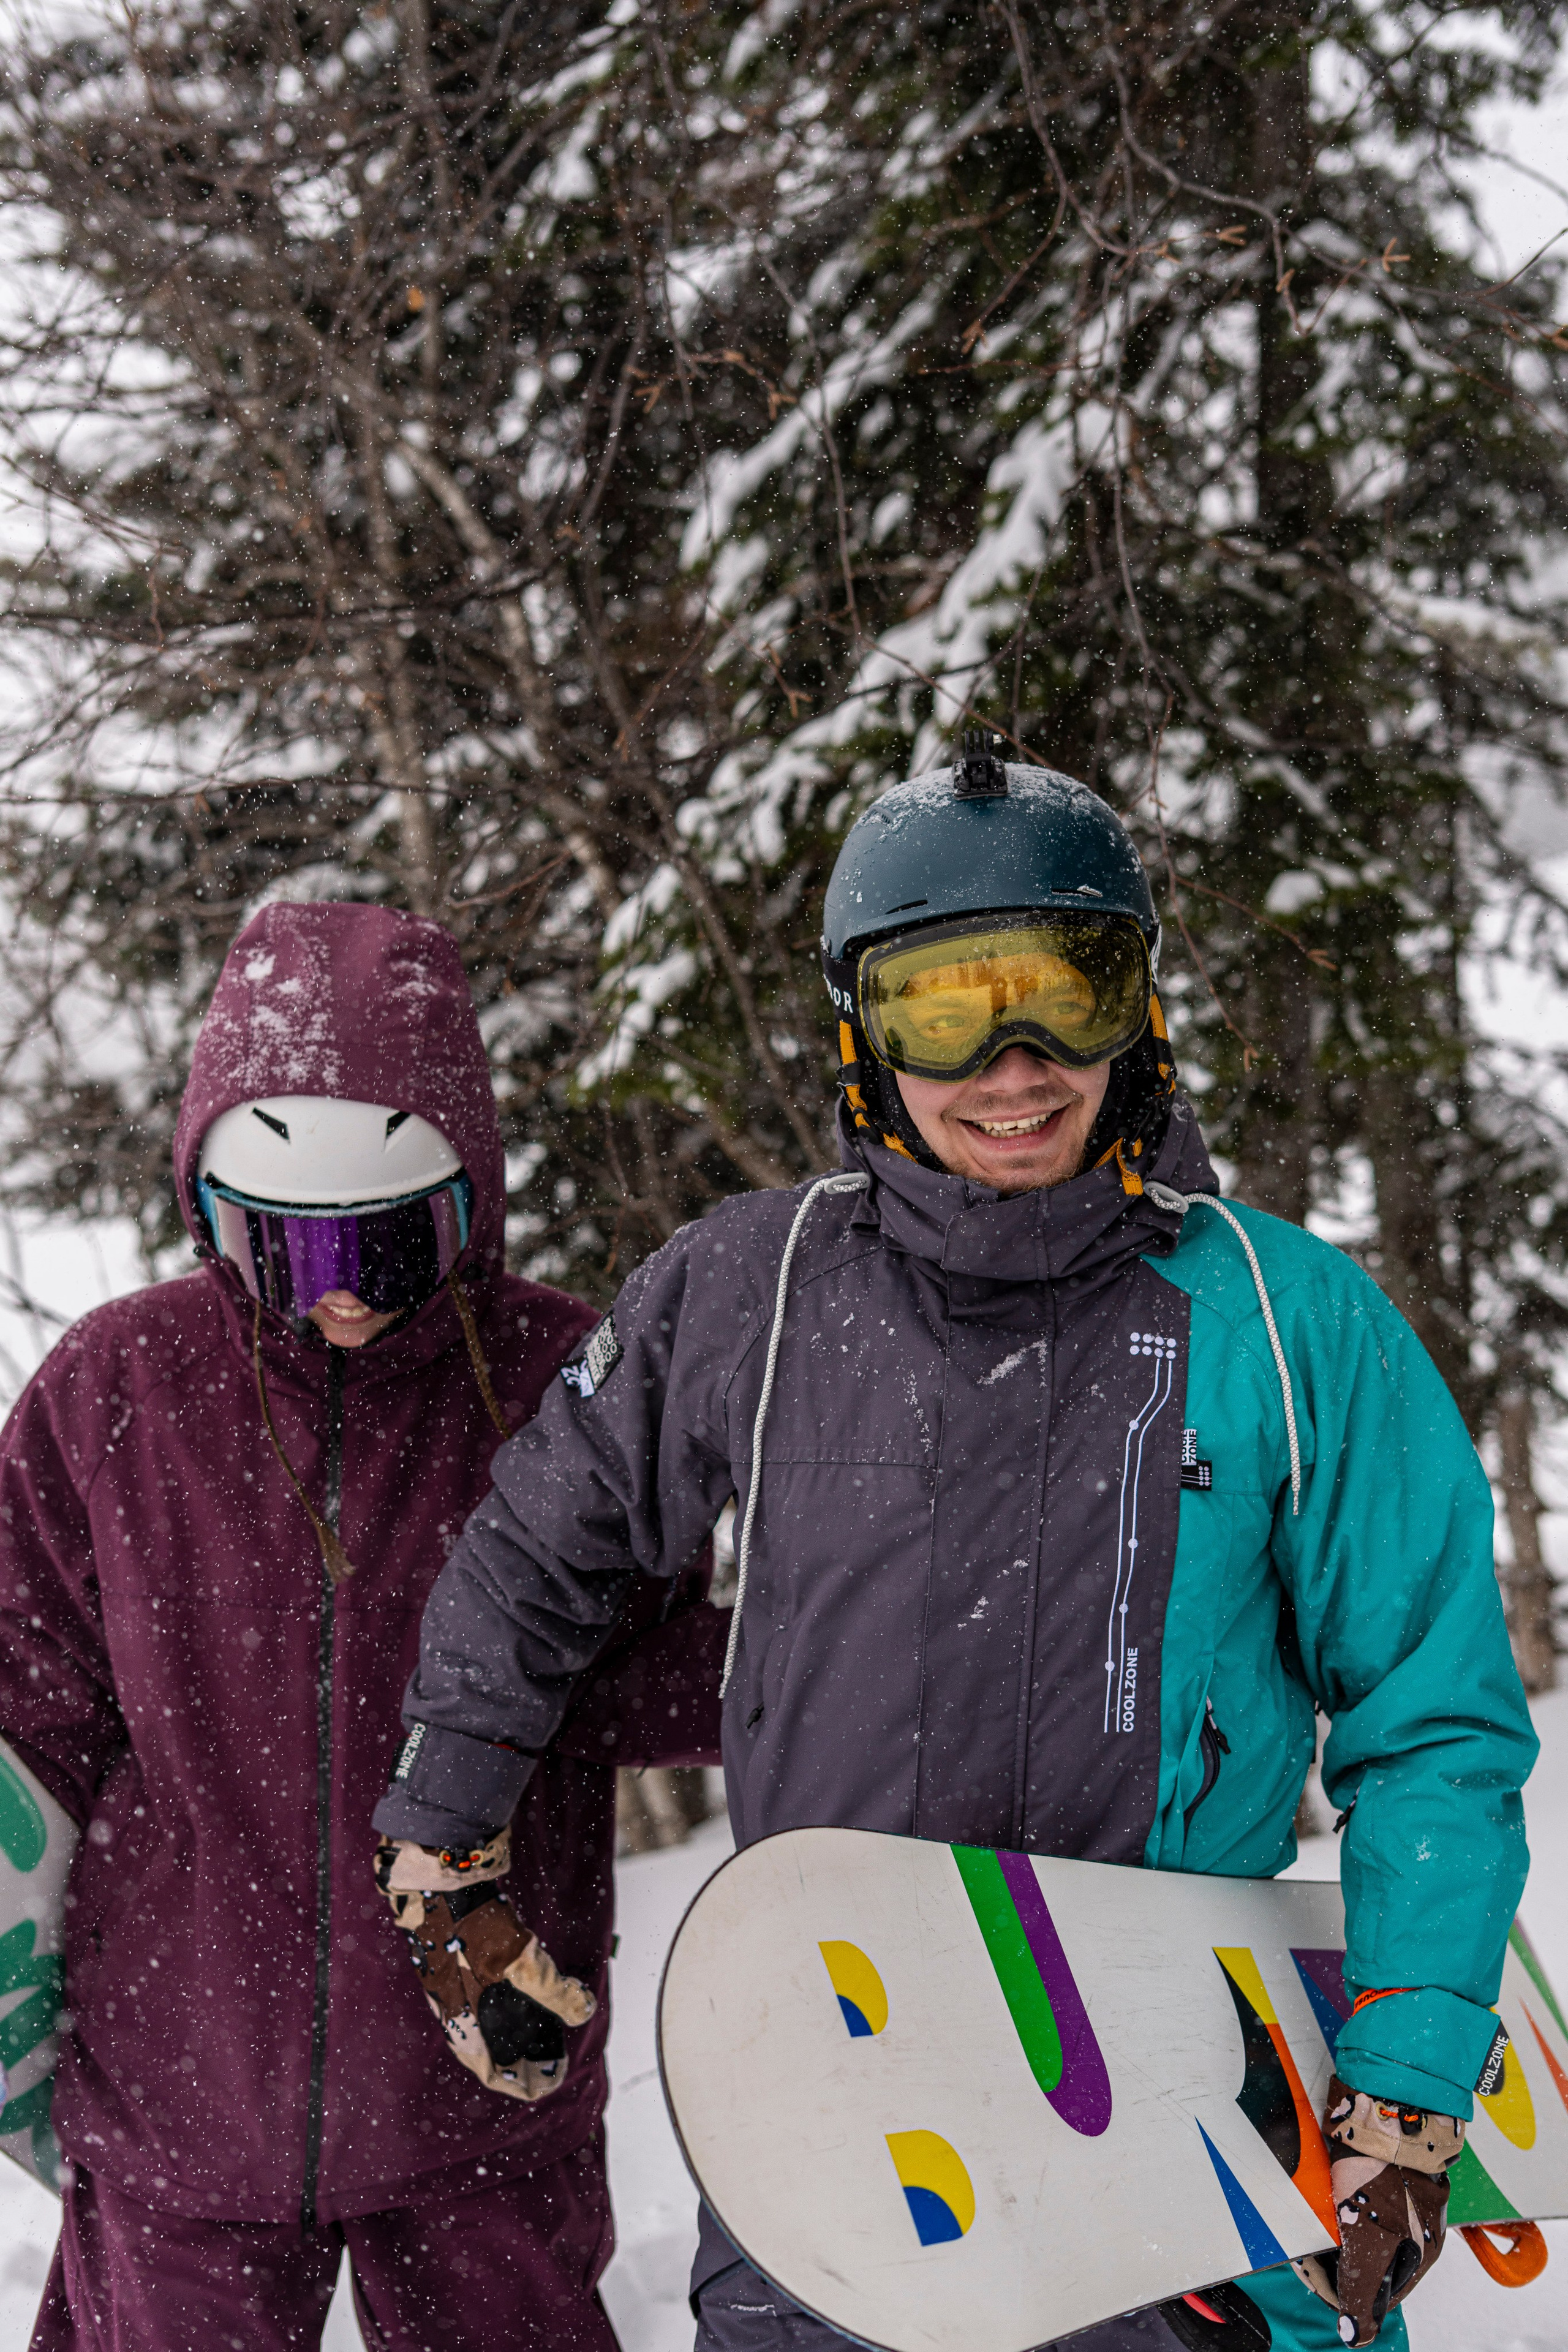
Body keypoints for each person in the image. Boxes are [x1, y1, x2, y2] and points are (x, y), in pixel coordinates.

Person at [373, 741, 1537, 2352]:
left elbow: (1437, 1715)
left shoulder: (1287, 1320)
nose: (1013, 1065)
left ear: (1136, 1006)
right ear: (865, 1030)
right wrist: (446, 1845)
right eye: (944, 1009)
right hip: (840, 2126)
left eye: (1067, 986)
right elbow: (536, 1556)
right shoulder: (754, 1289)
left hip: (1189, 2117)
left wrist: (1410, 2077)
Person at [0, 900, 722, 2350]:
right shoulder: (119, 1387)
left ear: (470, 1204)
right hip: (182, 2087)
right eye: (283, 1252)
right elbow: (28, 1712)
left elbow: (646, 1670)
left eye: (387, 1251)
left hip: (482, 2072)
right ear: (207, 1209)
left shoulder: (554, 1380)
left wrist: (827, 1659)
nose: (334, 1300)